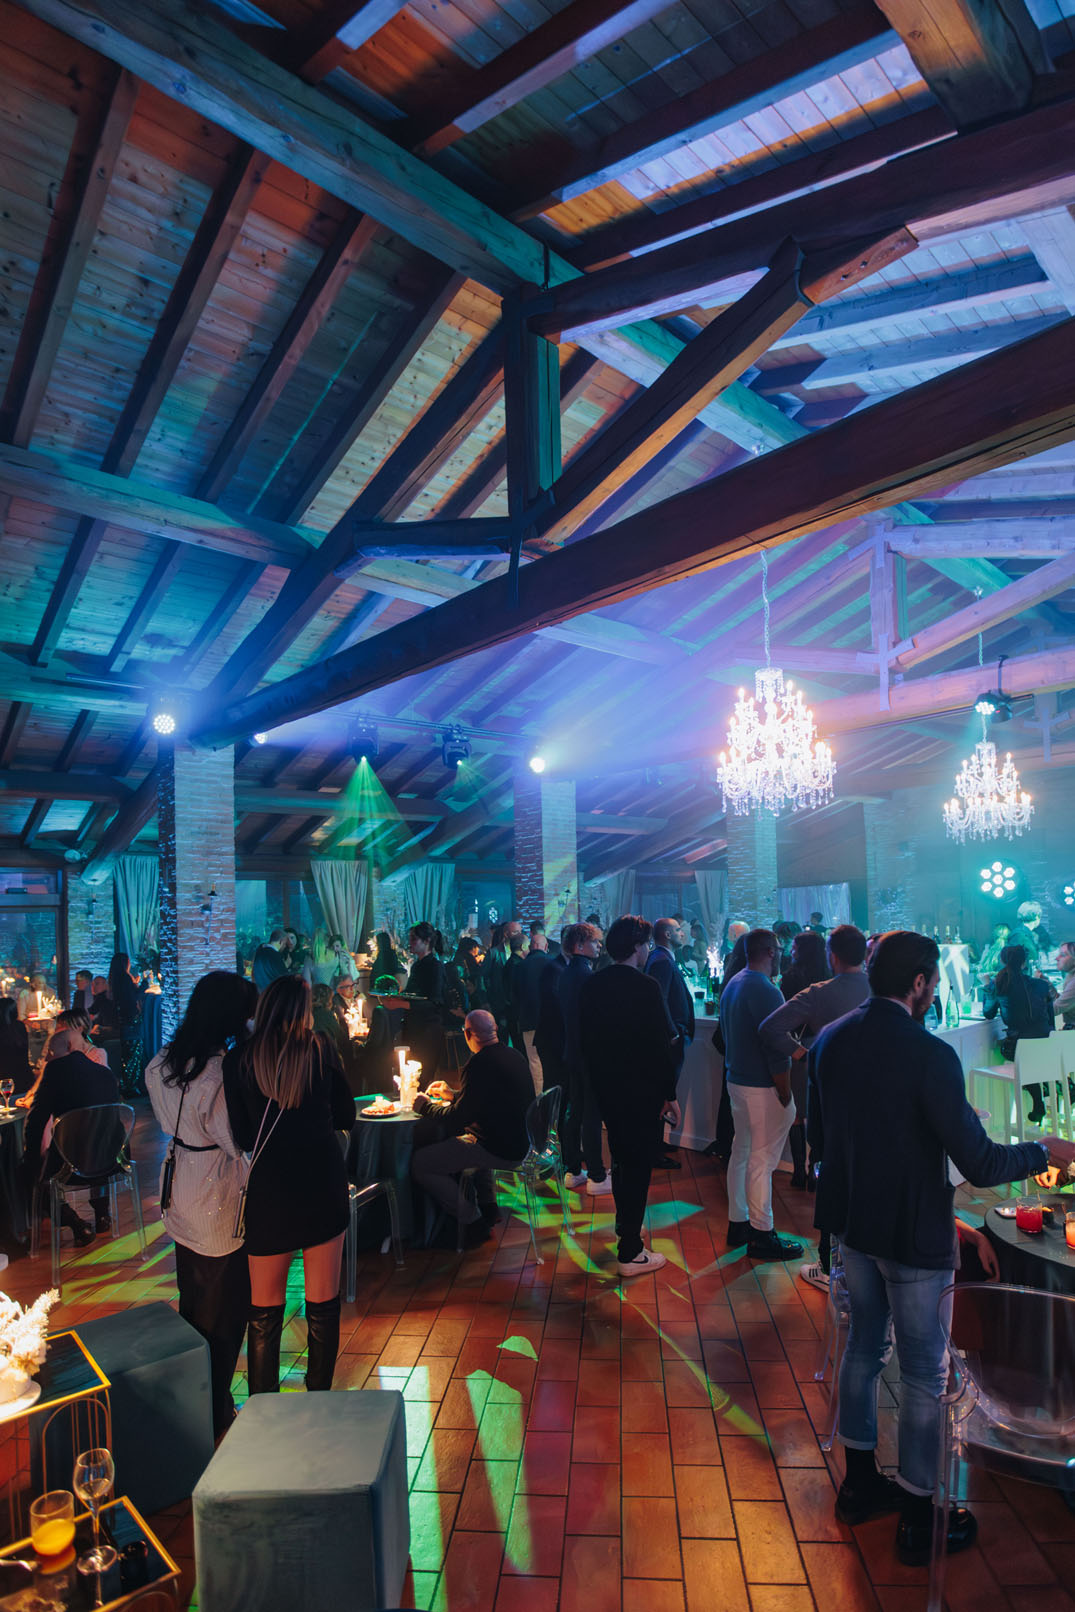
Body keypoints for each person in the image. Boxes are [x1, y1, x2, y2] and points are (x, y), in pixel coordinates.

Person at [807, 929, 1074, 1564]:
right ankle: (920, 1512)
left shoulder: (831, 1038)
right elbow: (980, 1164)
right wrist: (1044, 1150)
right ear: (921, 982)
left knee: (864, 1348)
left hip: (852, 1225)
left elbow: (821, 1136)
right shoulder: (929, 1053)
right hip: (909, 1231)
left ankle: (859, 1486)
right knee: (925, 1372)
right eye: (932, 983)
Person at [224, 976, 356, 1395]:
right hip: (321, 1181)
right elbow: (346, 1115)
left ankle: (264, 1406)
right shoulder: (321, 1049)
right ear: (303, 1011)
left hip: (271, 1190)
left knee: (264, 1312)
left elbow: (244, 1136)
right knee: (323, 1304)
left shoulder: (239, 1059)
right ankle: (318, 1398)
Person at [145, 971, 258, 1436]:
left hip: (179, 1180)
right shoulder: (218, 1072)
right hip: (215, 1187)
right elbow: (234, 1140)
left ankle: (200, 1402)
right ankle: (214, 1408)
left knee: (193, 1300)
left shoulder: (163, 1061)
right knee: (227, 1310)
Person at [759, 924, 870, 1278]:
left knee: (831, 1177)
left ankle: (828, 1265)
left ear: (832, 956)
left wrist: (803, 1054)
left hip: (831, 1098)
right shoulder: (880, 989)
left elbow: (769, 1029)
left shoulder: (819, 993)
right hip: (874, 1098)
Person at [579, 916, 680, 1277]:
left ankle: (628, 1231)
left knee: (622, 1161)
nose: (648, 950)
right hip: (641, 1091)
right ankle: (631, 1251)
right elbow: (659, 1045)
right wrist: (669, 1093)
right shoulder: (646, 986)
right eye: (646, 944)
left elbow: (585, 1041)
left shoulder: (593, 984)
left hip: (607, 1088)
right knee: (636, 1167)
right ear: (637, 946)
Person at [411, 1010, 533, 1248]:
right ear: (495, 1030)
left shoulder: (478, 1064)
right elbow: (484, 1100)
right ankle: (488, 1206)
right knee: (472, 1135)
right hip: (523, 1141)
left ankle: (471, 1221)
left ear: (467, 1034)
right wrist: (454, 1095)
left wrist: (425, 1107)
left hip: (500, 1149)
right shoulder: (514, 1055)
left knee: (421, 1163)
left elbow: (456, 1120)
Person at [718, 928, 802, 1260]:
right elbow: (776, 1049)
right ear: (769, 952)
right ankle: (762, 1234)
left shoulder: (734, 983)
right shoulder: (766, 990)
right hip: (761, 1085)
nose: (781, 954)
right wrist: (785, 1092)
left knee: (742, 1153)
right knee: (762, 1161)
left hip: (737, 1080)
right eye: (779, 949)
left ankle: (738, 1222)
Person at [23, 1029, 119, 1246]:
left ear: (67, 1047)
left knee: (30, 1173)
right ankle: (102, 1216)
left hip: (71, 1164)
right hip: (111, 1160)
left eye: (50, 1052)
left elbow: (37, 1119)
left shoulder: (55, 1071)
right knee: (95, 1144)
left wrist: (32, 1157)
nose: (47, 1058)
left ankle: (77, 1225)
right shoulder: (104, 1073)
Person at [558, 922, 610, 1196]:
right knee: (591, 1114)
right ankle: (597, 1177)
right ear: (579, 945)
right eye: (594, 941)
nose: (599, 945)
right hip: (588, 1054)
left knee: (574, 1111)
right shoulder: (587, 976)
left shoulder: (566, 973)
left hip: (571, 1052)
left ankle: (573, 1170)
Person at [982, 943, 1055, 1122]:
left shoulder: (1000, 984)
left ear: (1002, 961)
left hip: (1018, 1047)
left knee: (1023, 1054)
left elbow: (988, 1013)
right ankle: (1042, 1098)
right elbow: (1050, 1019)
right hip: (1048, 1046)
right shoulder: (1041, 985)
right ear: (1024, 963)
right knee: (1029, 1055)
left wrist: (987, 986)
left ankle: (1038, 1101)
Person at [646, 917, 695, 1171]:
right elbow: (659, 998)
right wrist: (672, 1031)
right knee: (661, 1093)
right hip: (670, 1037)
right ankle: (653, 1151)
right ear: (666, 934)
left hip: (672, 1034)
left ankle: (657, 1143)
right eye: (677, 930)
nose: (682, 933)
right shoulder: (662, 961)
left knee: (663, 1092)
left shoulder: (662, 958)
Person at [516, 930, 551, 1091]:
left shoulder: (521, 966)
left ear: (531, 947)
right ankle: (554, 1098)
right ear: (545, 946)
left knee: (534, 1061)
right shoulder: (552, 963)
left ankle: (538, 1098)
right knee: (551, 1061)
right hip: (549, 1021)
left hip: (528, 1020)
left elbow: (515, 994)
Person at [107, 953, 144, 1097]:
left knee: (127, 1054)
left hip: (123, 1021)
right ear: (125, 963)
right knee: (133, 1054)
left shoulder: (115, 979)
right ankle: (130, 1087)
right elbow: (133, 997)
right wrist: (144, 984)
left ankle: (126, 1086)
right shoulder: (125, 978)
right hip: (130, 1020)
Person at [779, 929, 830, 1000]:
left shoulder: (791, 978)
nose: (790, 951)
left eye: (794, 948)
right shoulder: (830, 976)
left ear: (803, 952)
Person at [0, 998, 31, 1095]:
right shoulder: (19, 1027)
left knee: (6, 1099)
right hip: (23, 1078)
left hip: (4, 1078)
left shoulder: (5, 1030)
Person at [503, 930, 527, 1050]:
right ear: (522, 947)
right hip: (517, 1015)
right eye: (528, 945)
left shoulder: (511, 963)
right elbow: (513, 992)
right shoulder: (517, 965)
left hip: (514, 1014)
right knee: (521, 1048)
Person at [1055, 938, 1075, 1028]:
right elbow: (1063, 1001)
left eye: (1062, 955)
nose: (1057, 958)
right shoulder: (1070, 975)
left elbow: (1056, 1009)